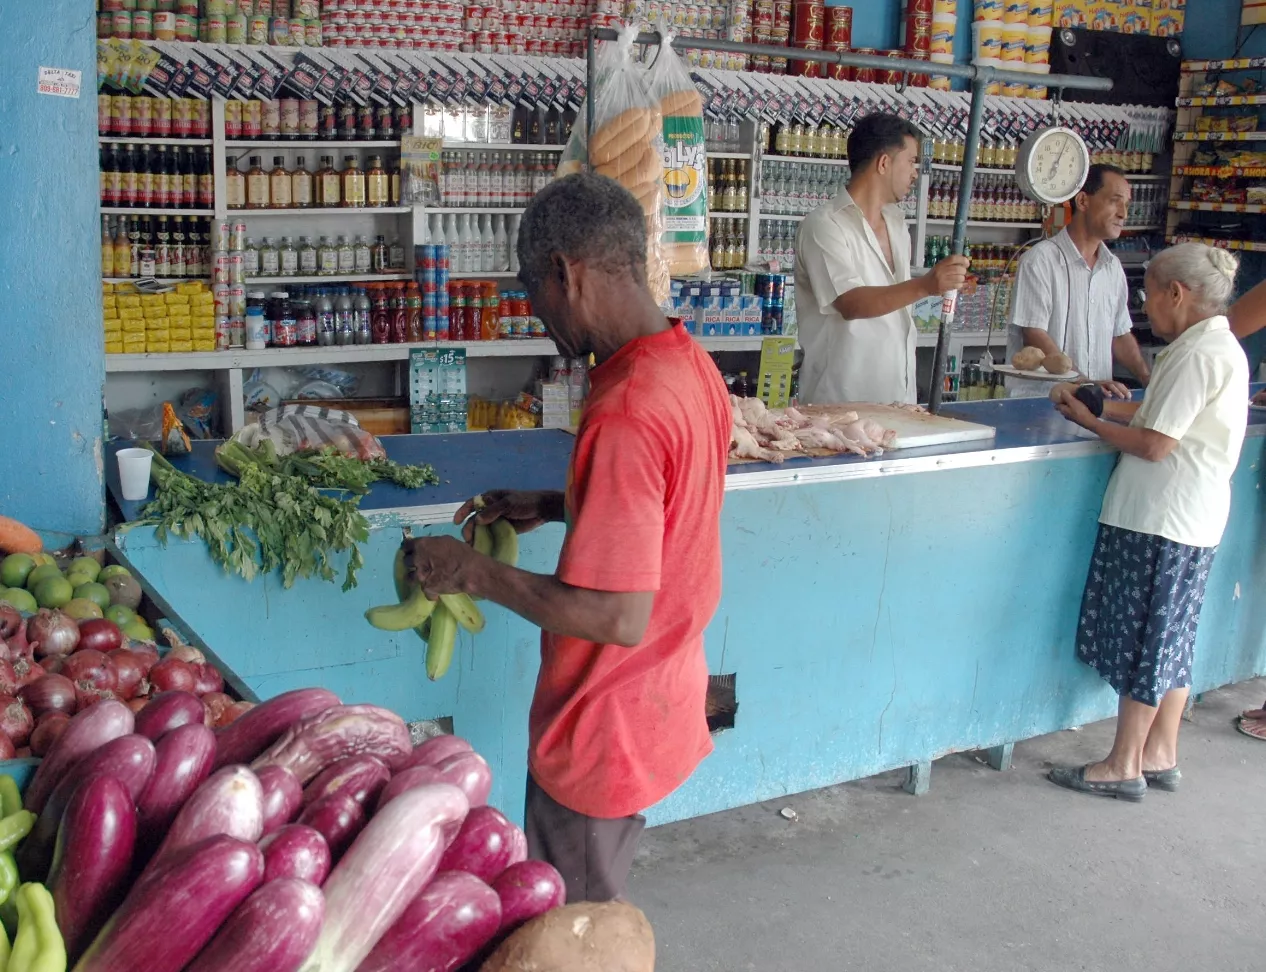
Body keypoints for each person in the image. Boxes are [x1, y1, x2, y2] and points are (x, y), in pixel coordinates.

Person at [401, 173, 732, 901]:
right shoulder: (688, 367)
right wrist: (559, 504)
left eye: (532, 292)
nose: (536, 313)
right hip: (659, 694)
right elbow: (666, 513)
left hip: (601, 727)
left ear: (564, 274)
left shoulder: (625, 411)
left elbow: (616, 615)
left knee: (573, 930)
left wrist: (469, 572)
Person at [1046, 242, 1248, 800]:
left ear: (1176, 294)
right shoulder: (1213, 346)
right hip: (1190, 519)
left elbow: (1157, 443)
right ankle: (1160, 752)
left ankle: (1122, 764)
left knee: (1145, 639)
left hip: (1161, 517)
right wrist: (1098, 406)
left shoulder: (1195, 354)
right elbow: (1163, 413)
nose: (1146, 306)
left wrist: (1092, 425)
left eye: (1149, 294)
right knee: (1174, 639)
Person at [794, 112, 969, 404]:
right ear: (884, 163)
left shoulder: (897, 225)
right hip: (840, 406)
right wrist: (926, 286)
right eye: (911, 161)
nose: (916, 173)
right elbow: (850, 303)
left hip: (897, 399)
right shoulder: (824, 225)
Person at [1006, 164, 1152, 397]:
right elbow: (1034, 332)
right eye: (1115, 201)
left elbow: (1120, 334)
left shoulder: (1112, 267)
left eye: (1127, 205)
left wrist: (1148, 379)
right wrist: (1083, 383)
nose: (1124, 213)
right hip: (1044, 403)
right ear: (1083, 201)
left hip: (1096, 403)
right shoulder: (1041, 260)